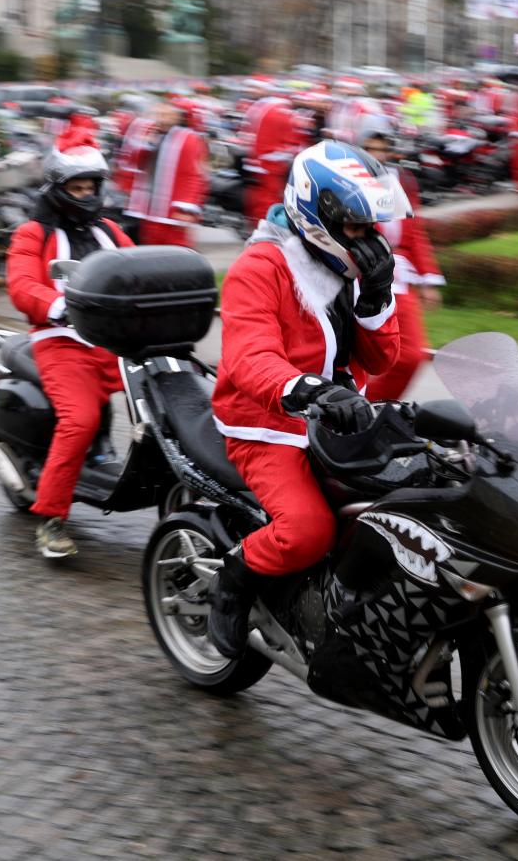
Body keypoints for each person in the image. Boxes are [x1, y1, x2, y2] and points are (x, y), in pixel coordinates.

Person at [207, 140, 403, 658]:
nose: (369, 240)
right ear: (320, 217)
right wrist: (307, 389)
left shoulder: (347, 269)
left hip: (340, 422)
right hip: (268, 424)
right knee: (308, 531)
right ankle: (235, 577)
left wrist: (378, 300)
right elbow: (249, 359)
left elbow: (382, 361)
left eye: (372, 228)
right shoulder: (260, 268)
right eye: (358, 228)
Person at [4, 147, 135, 559]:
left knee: (179, 396)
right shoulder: (33, 233)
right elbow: (22, 285)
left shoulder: (110, 230)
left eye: (89, 187)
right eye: (75, 188)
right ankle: (52, 520)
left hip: (113, 339)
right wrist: (60, 307)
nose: (84, 194)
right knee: (80, 419)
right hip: (61, 340)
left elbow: (140, 266)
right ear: (58, 190)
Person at [359, 124, 443, 402]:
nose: (378, 154)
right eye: (371, 148)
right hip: (360, 276)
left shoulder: (400, 181)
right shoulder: (349, 180)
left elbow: (414, 231)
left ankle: (371, 407)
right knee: (357, 356)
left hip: (400, 280)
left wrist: (428, 277)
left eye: (383, 148)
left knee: (410, 356)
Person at [118, 100, 208, 247]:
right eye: (159, 114)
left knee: (174, 250)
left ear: (178, 116)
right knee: (149, 249)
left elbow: (193, 174)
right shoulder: (156, 135)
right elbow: (135, 162)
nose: (161, 117)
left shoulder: (188, 138)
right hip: (150, 210)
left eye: (167, 114)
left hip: (172, 211)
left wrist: (186, 207)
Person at [243, 89, 304, 226]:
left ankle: (257, 225)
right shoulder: (282, 111)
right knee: (269, 200)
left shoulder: (262, 107)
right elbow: (293, 141)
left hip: (258, 162)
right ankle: (268, 227)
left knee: (259, 199)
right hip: (271, 166)